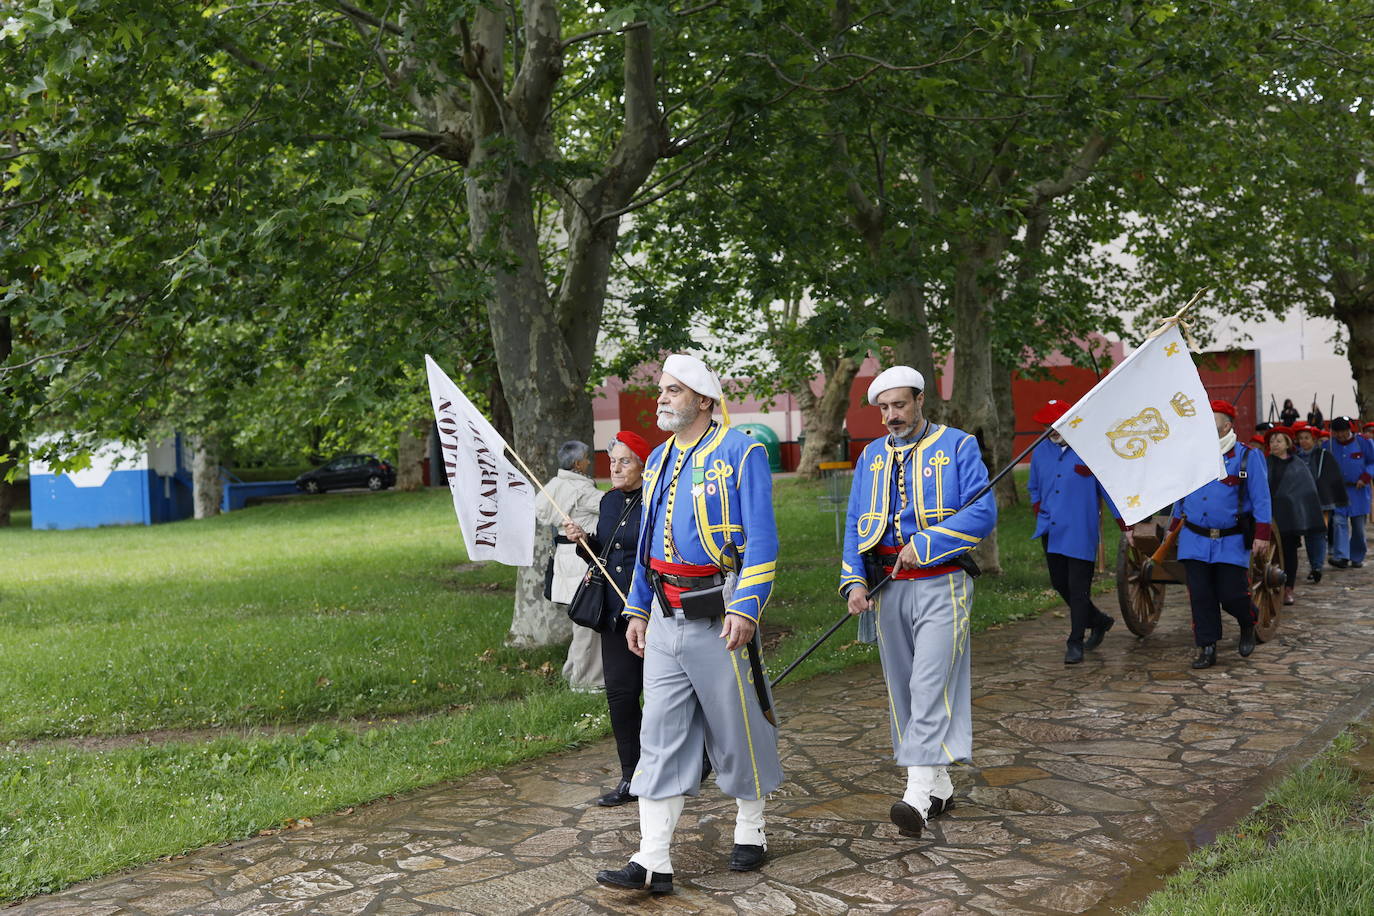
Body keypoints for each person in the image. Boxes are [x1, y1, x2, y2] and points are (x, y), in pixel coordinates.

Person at [596, 353, 781, 896]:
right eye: (661, 391)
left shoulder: (741, 451)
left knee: (738, 726)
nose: (662, 400)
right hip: (662, 616)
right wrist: (635, 608)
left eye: (673, 391)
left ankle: (752, 828)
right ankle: (652, 858)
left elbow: (764, 541)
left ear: (703, 399)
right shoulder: (656, 460)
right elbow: (648, 548)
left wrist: (747, 606)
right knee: (659, 736)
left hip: (720, 613)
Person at [839, 366, 997, 839]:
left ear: (921, 400)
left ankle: (915, 792)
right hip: (887, 585)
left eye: (900, 405)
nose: (891, 416)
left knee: (930, 682)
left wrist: (926, 544)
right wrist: (853, 581)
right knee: (902, 688)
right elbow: (853, 524)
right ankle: (940, 785)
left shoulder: (959, 446)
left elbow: (984, 511)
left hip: (943, 582)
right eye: (884, 408)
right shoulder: (869, 456)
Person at [561, 431, 653, 807]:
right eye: (612, 460)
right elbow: (606, 553)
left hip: (651, 612)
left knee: (667, 698)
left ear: (644, 465)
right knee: (620, 697)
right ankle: (631, 777)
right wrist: (583, 543)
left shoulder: (658, 500)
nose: (614, 467)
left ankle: (691, 762)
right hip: (615, 615)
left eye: (625, 461)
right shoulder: (611, 502)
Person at [1169, 400, 1271, 670]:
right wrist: (1172, 530)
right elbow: (1181, 493)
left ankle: (1247, 621)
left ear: (1226, 426)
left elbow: (1261, 500)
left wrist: (1262, 535)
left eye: (1211, 423)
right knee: (1200, 596)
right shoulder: (1192, 456)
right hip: (1194, 538)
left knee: (1232, 594)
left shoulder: (1248, 457)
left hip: (1231, 539)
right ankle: (1207, 646)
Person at [1027, 398, 1126, 664]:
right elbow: (1033, 486)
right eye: (1050, 424)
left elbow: (1109, 491)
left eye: (1059, 423)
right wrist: (1039, 508)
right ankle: (1099, 620)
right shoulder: (1040, 450)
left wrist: (1124, 525)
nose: (1054, 428)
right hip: (1050, 529)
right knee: (1060, 583)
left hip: (1080, 531)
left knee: (1079, 588)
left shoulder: (1090, 451)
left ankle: (1075, 641)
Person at [534, 440, 604, 692]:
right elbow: (610, 506)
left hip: (566, 557)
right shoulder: (581, 490)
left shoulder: (553, 486)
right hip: (581, 557)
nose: (589, 461)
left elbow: (541, 512)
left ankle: (572, 671)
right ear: (577, 463)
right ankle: (586, 681)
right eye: (586, 458)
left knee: (581, 619)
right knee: (588, 622)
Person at [1264, 427, 1323, 605]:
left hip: (1290, 517)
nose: (1275, 444)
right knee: (1267, 554)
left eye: (1279, 441)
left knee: (1289, 552)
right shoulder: (1265, 463)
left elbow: (1305, 491)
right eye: (1272, 441)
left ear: (1288, 443)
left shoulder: (1297, 465)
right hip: (1268, 515)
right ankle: (1270, 584)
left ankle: (1288, 588)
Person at [1294, 423, 1346, 582]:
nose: (1303, 441)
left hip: (1320, 501)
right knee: (1307, 534)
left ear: (1314, 439)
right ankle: (1313, 563)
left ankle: (1316, 566)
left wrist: (1328, 500)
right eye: (1301, 438)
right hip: (1301, 502)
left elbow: (1330, 478)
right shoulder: (1295, 458)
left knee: (1318, 534)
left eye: (1306, 438)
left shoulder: (1324, 455)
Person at [1326, 417, 1374, 569]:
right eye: (1336, 432)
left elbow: (1372, 462)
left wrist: (1365, 477)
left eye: (1343, 431)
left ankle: (1357, 556)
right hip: (1338, 491)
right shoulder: (1329, 445)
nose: (1340, 435)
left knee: (1358, 527)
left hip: (1358, 491)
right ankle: (1341, 556)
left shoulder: (1363, 442)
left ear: (1349, 429)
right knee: (1339, 522)